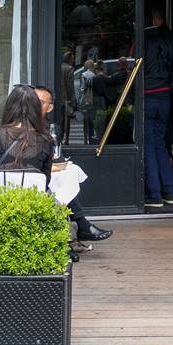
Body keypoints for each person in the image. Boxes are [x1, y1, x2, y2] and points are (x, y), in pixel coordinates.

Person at [32, 86, 112, 241]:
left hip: (44, 175)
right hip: (27, 179)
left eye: (40, 102)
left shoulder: (49, 127)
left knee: (63, 182)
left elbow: (53, 154)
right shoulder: (20, 127)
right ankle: (80, 228)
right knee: (58, 186)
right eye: (33, 101)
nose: (35, 105)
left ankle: (76, 231)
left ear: (50, 108)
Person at [142, 8, 173, 208]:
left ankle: (154, 194)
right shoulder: (169, 43)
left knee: (148, 146)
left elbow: (134, 71)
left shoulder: (142, 42)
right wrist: (165, 90)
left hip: (147, 97)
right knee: (160, 145)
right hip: (164, 98)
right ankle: (169, 191)